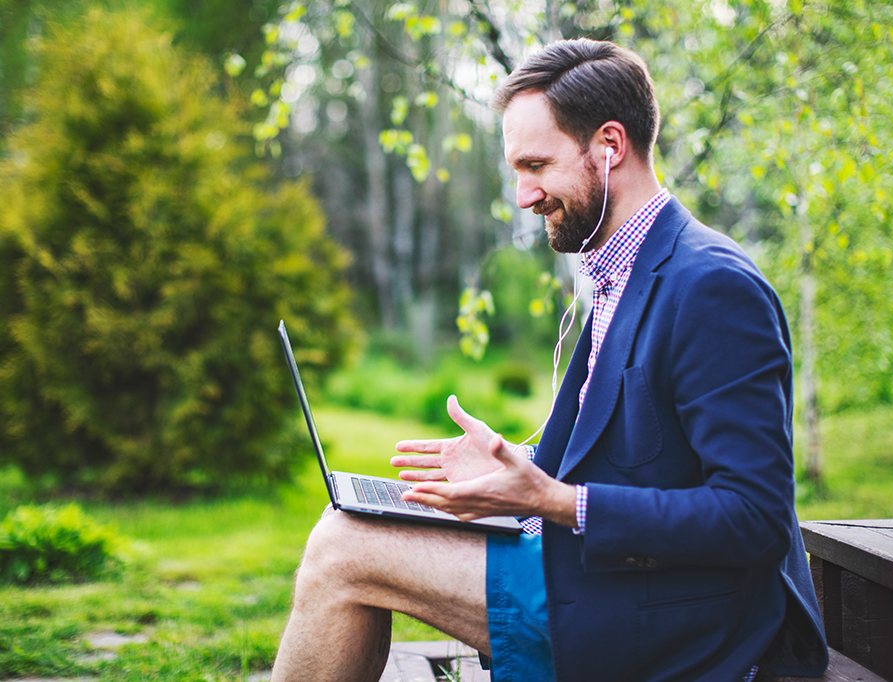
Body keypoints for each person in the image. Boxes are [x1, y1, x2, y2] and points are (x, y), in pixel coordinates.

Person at [270, 38, 829, 682]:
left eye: (536, 165)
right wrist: (516, 464)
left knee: (343, 549)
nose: (523, 196)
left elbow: (754, 518)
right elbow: (634, 457)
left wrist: (554, 501)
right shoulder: (622, 272)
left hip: (677, 620)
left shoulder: (712, 286)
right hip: (599, 573)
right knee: (347, 522)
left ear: (610, 145)